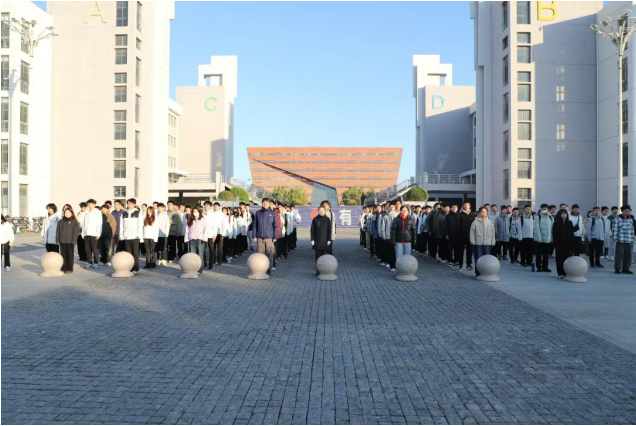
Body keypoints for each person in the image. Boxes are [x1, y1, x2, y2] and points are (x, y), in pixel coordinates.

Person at [253, 198, 278, 275]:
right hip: (260, 237)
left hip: (269, 238)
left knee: (270, 254)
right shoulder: (258, 213)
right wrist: (254, 236)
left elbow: (275, 226)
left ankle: (269, 269)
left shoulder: (273, 213)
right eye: (263, 202)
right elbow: (254, 225)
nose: (265, 203)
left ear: (269, 203)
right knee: (260, 255)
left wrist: (275, 237)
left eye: (266, 202)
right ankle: (261, 269)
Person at [120, 198, 144, 274]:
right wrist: (122, 235)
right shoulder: (124, 213)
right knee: (128, 254)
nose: (129, 205)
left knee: (135, 254)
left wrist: (138, 235)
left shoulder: (138, 213)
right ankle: (129, 267)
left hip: (135, 237)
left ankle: (136, 268)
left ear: (134, 204)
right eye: (128, 203)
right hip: (127, 237)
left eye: (130, 203)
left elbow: (140, 225)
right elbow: (121, 225)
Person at [469, 207, 496, 277]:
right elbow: (472, 233)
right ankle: (478, 273)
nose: (483, 213)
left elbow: (493, 233)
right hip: (478, 243)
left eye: (485, 212)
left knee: (487, 259)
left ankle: (486, 273)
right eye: (482, 211)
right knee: (478, 259)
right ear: (479, 213)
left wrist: (493, 242)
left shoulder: (490, 222)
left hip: (487, 243)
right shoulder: (475, 222)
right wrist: (473, 242)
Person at [391, 205, 417, 271]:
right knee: (398, 256)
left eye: (406, 210)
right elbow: (393, 231)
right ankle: (398, 269)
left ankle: (406, 270)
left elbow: (414, 230)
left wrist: (414, 240)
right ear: (400, 211)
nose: (404, 211)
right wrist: (393, 240)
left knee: (407, 257)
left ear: (408, 211)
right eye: (403, 210)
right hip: (399, 241)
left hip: (408, 241)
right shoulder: (396, 219)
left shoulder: (410, 220)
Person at [56, 206, 81, 273]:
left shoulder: (74, 221)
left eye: (68, 212)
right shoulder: (61, 221)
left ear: (72, 213)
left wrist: (74, 240)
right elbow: (58, 231)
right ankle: (63, 268)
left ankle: (69, 268)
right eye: (66, 212)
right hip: (62, 241)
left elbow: (76, 231)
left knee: (70, 255)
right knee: (63, 255)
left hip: (70, 241)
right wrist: (57, 239)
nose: (67, 214)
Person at [184, 207, 207, 275]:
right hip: (192, 238)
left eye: (196, 211)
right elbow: (187, 230)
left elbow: (206, 230)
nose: (195, 213)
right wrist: (186, 239)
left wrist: (204, 239)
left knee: (200, 255)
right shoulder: (190, 219)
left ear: (199, 212)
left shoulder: (203, 220)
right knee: (192, 255)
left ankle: (200, 269)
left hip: (200, 239)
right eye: (194, 211)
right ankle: (193, 269)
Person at [310, 205, 332, 276]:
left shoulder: (327, 219)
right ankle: (318, 271)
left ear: (325, 211)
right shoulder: (315, 219)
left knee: (324, 257)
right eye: (320, 210)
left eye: (322, 210)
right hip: (317, 242)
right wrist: (312, 239)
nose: (321, 212)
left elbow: (329, 230)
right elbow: (312, 230)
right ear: (318, 211)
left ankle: (324, 271)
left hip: (325, 242)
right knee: (317, 257)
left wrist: (329, 239)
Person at [612, 205, 634, 274]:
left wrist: (633, 238)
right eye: (626, 211)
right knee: (619, 256)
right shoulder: (617, 219)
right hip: (620, 240)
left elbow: (632, 230)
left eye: (629, 211)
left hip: (629, 240)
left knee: (628, 255)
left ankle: (626, 269)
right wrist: (616, 239)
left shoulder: (631, 219)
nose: (627, 213)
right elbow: (614, 230)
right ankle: (618, 269)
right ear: (622, 211)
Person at [552, 209, 573, 278]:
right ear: (560, 215)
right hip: (559, 244)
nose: (564, 215)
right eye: (562, 214)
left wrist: (572, 243)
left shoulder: (570, 223)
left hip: (568, 244)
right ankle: (560, 273)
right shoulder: (556, 223)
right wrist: (555, 244)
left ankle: (567, 272)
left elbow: (571, 234)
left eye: (565, 214)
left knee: (568, 259)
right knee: (560, 259)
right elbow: (554, 234)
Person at [82, 199, 103, 268]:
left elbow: (99, 224)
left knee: (95, 249)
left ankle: (96, 262)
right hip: (87, 233)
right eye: (88, 204)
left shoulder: (97, 212)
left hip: (94, 233)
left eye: (91, 204)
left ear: (94, 204)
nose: (90, 205)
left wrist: (98, 234)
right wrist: (83, 233)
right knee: (87, 249)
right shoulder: (86, 212)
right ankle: (89, 262)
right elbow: (84, 223)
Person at [534, 204, 554, 273]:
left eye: (545, 209)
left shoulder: (550, 218)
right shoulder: (538, 218)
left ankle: (545, 267)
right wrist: (539, 239)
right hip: (540, 240)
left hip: (548, 240)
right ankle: (539, 267)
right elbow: (537, 229)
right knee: (539, 254)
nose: (544, 210)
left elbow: (552, 229)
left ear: (548, 210)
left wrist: (551, 238)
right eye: (543, 209)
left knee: (546, 255)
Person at [458, 202, 475, 271]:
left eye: (467, 205)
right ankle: (460, 264)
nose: (466, 206)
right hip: (461, 235)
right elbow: (458, 225)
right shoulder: (460, 214)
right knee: (460, 251)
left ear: (470, 206)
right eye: (465, 205)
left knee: (470, 251)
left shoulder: (473, 214)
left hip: (470, 235)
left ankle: (469, 264)